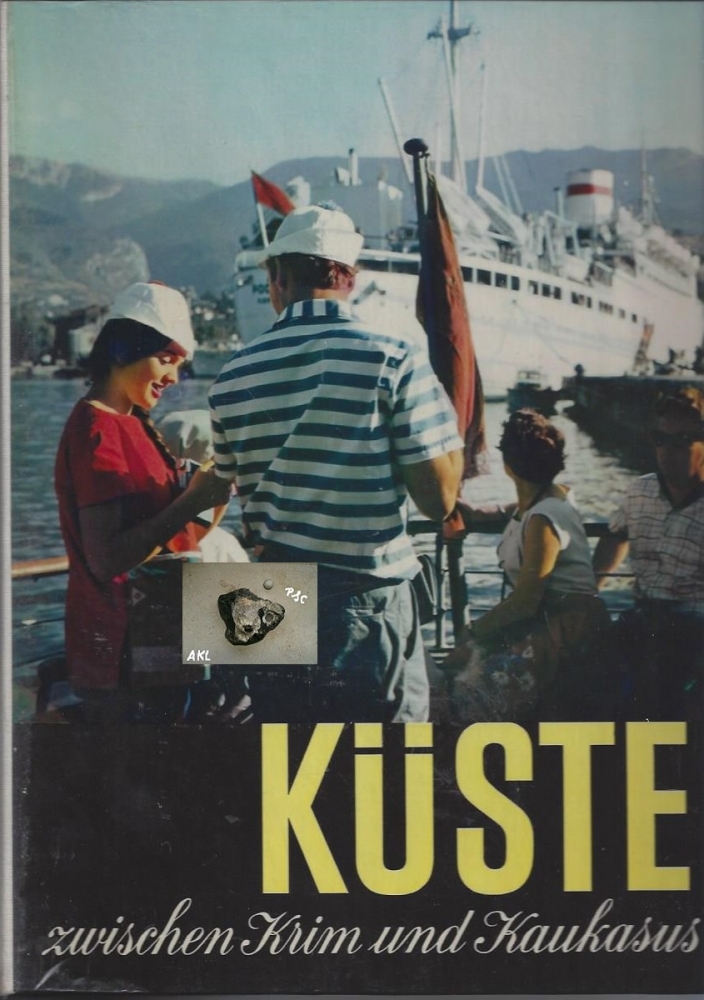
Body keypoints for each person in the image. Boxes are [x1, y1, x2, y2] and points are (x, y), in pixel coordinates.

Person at [209, 205, 464, 722]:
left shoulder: (231, 376)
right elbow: (439, 501)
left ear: (278, 278)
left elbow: (225, 485)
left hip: (265, 593)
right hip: (362, 597)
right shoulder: (394, 357)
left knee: (288, 752)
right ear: (351, 277)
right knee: (380, 760)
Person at [54, 282, 232, 721]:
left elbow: (176, 538)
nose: (174, 377)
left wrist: (215, 496)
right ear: (122, 350)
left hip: (161, 628)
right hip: (124, 646)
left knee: (302, 621)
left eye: (179, 365)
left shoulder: (134, 422)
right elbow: (106, 559)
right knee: (311, 624)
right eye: (166, 360)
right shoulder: (97, 430)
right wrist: (190, 501)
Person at [444, 409, 610, 722]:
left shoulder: (543, 519)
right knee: (461, 668)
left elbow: (525, 601)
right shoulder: (554, 496)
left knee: (463, 680)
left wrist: (472, 632)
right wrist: (473, 511)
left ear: (508, 466)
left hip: (562, 633)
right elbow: (517, 510)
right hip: (553, 622)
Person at [592, 388, 704, 719]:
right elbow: (615, 537)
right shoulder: (639, 491)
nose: (668, 451)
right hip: (644, 619)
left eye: (682, 440)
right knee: (583, 671)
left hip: (695, 629)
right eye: (661, 439)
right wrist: (588, 591)